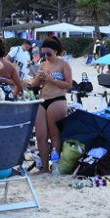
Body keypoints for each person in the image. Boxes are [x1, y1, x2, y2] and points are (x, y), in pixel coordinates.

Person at [27, 37, 72, 171]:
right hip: (42, 99)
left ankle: (56, 165)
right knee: (40, 135)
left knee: (54, 134)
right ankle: (45, 167)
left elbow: (68, 85)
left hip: (57, 98)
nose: (46, 56)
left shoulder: (63, 64)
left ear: (56, 51)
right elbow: (35, 84)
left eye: (49, 54)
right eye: (43, 54)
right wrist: (36, 80)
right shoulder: (42, 65)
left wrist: (51, 79)